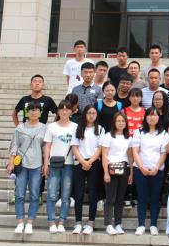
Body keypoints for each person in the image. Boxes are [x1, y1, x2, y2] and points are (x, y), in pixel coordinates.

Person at [7, 103, 47, 234]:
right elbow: (14, 146)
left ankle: (30, 222)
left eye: (36, 110)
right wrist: (11, 162)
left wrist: (46, 164)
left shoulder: (45, 128)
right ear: (26, 112)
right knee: (19, 194)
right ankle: (20, 222)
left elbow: (46, 148)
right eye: (31, 110)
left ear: (40, 112)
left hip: (37, 165)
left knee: (35, 194)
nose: (33, 112)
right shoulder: (20, 128)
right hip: (22, 164)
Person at [131, 107, 168, 236]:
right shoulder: (139, 132)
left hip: (157, 170)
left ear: (158, 118)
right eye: (149, 115)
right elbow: (135, 151)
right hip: (140, 170)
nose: (152, 118)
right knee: (142, 198)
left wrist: (157, 167)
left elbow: (164, 153)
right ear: (145, 117)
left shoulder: (164, 134)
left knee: (155, 198)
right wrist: (141, 167)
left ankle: (153, 225)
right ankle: (141, 225)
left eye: (155, 115)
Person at [44, 100, 77, 233]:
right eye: (62, 109)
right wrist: (45, 163)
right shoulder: (51, 127)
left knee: (66, 195)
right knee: (52, 194)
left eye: (67, 109)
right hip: (53, 164)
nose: (64, 111)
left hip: (69, 165)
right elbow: (47, 146)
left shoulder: (75, 127)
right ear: (57, 111)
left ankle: (62, 221)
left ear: (71, 111)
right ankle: (51, 221)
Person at [71, 104, 103, 235]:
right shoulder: (78, 128)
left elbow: (100, 149)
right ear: (85, 114)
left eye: (93, 113)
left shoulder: (100, 129)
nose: (91, 115)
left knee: (93, 193)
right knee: (78, 194)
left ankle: (90, 223)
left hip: (93, 163)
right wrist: (83, 161)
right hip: (79, 162)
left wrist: (90, 161)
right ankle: (78, 223)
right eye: (89, 113)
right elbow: (74, 147)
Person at [101, 112, 132, 235]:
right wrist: (105, 173)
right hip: (111, 168)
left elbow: (130, 156)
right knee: (110, 198)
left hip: (124, 168)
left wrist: (131, 173)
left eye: (123, 121)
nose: (120, 123)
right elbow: (104, 155)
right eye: (118, 121)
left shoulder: (128, 138)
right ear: (114, 123)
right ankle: (109, 224)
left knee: (120, 198)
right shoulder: (108, 136)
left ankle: (118, 224)